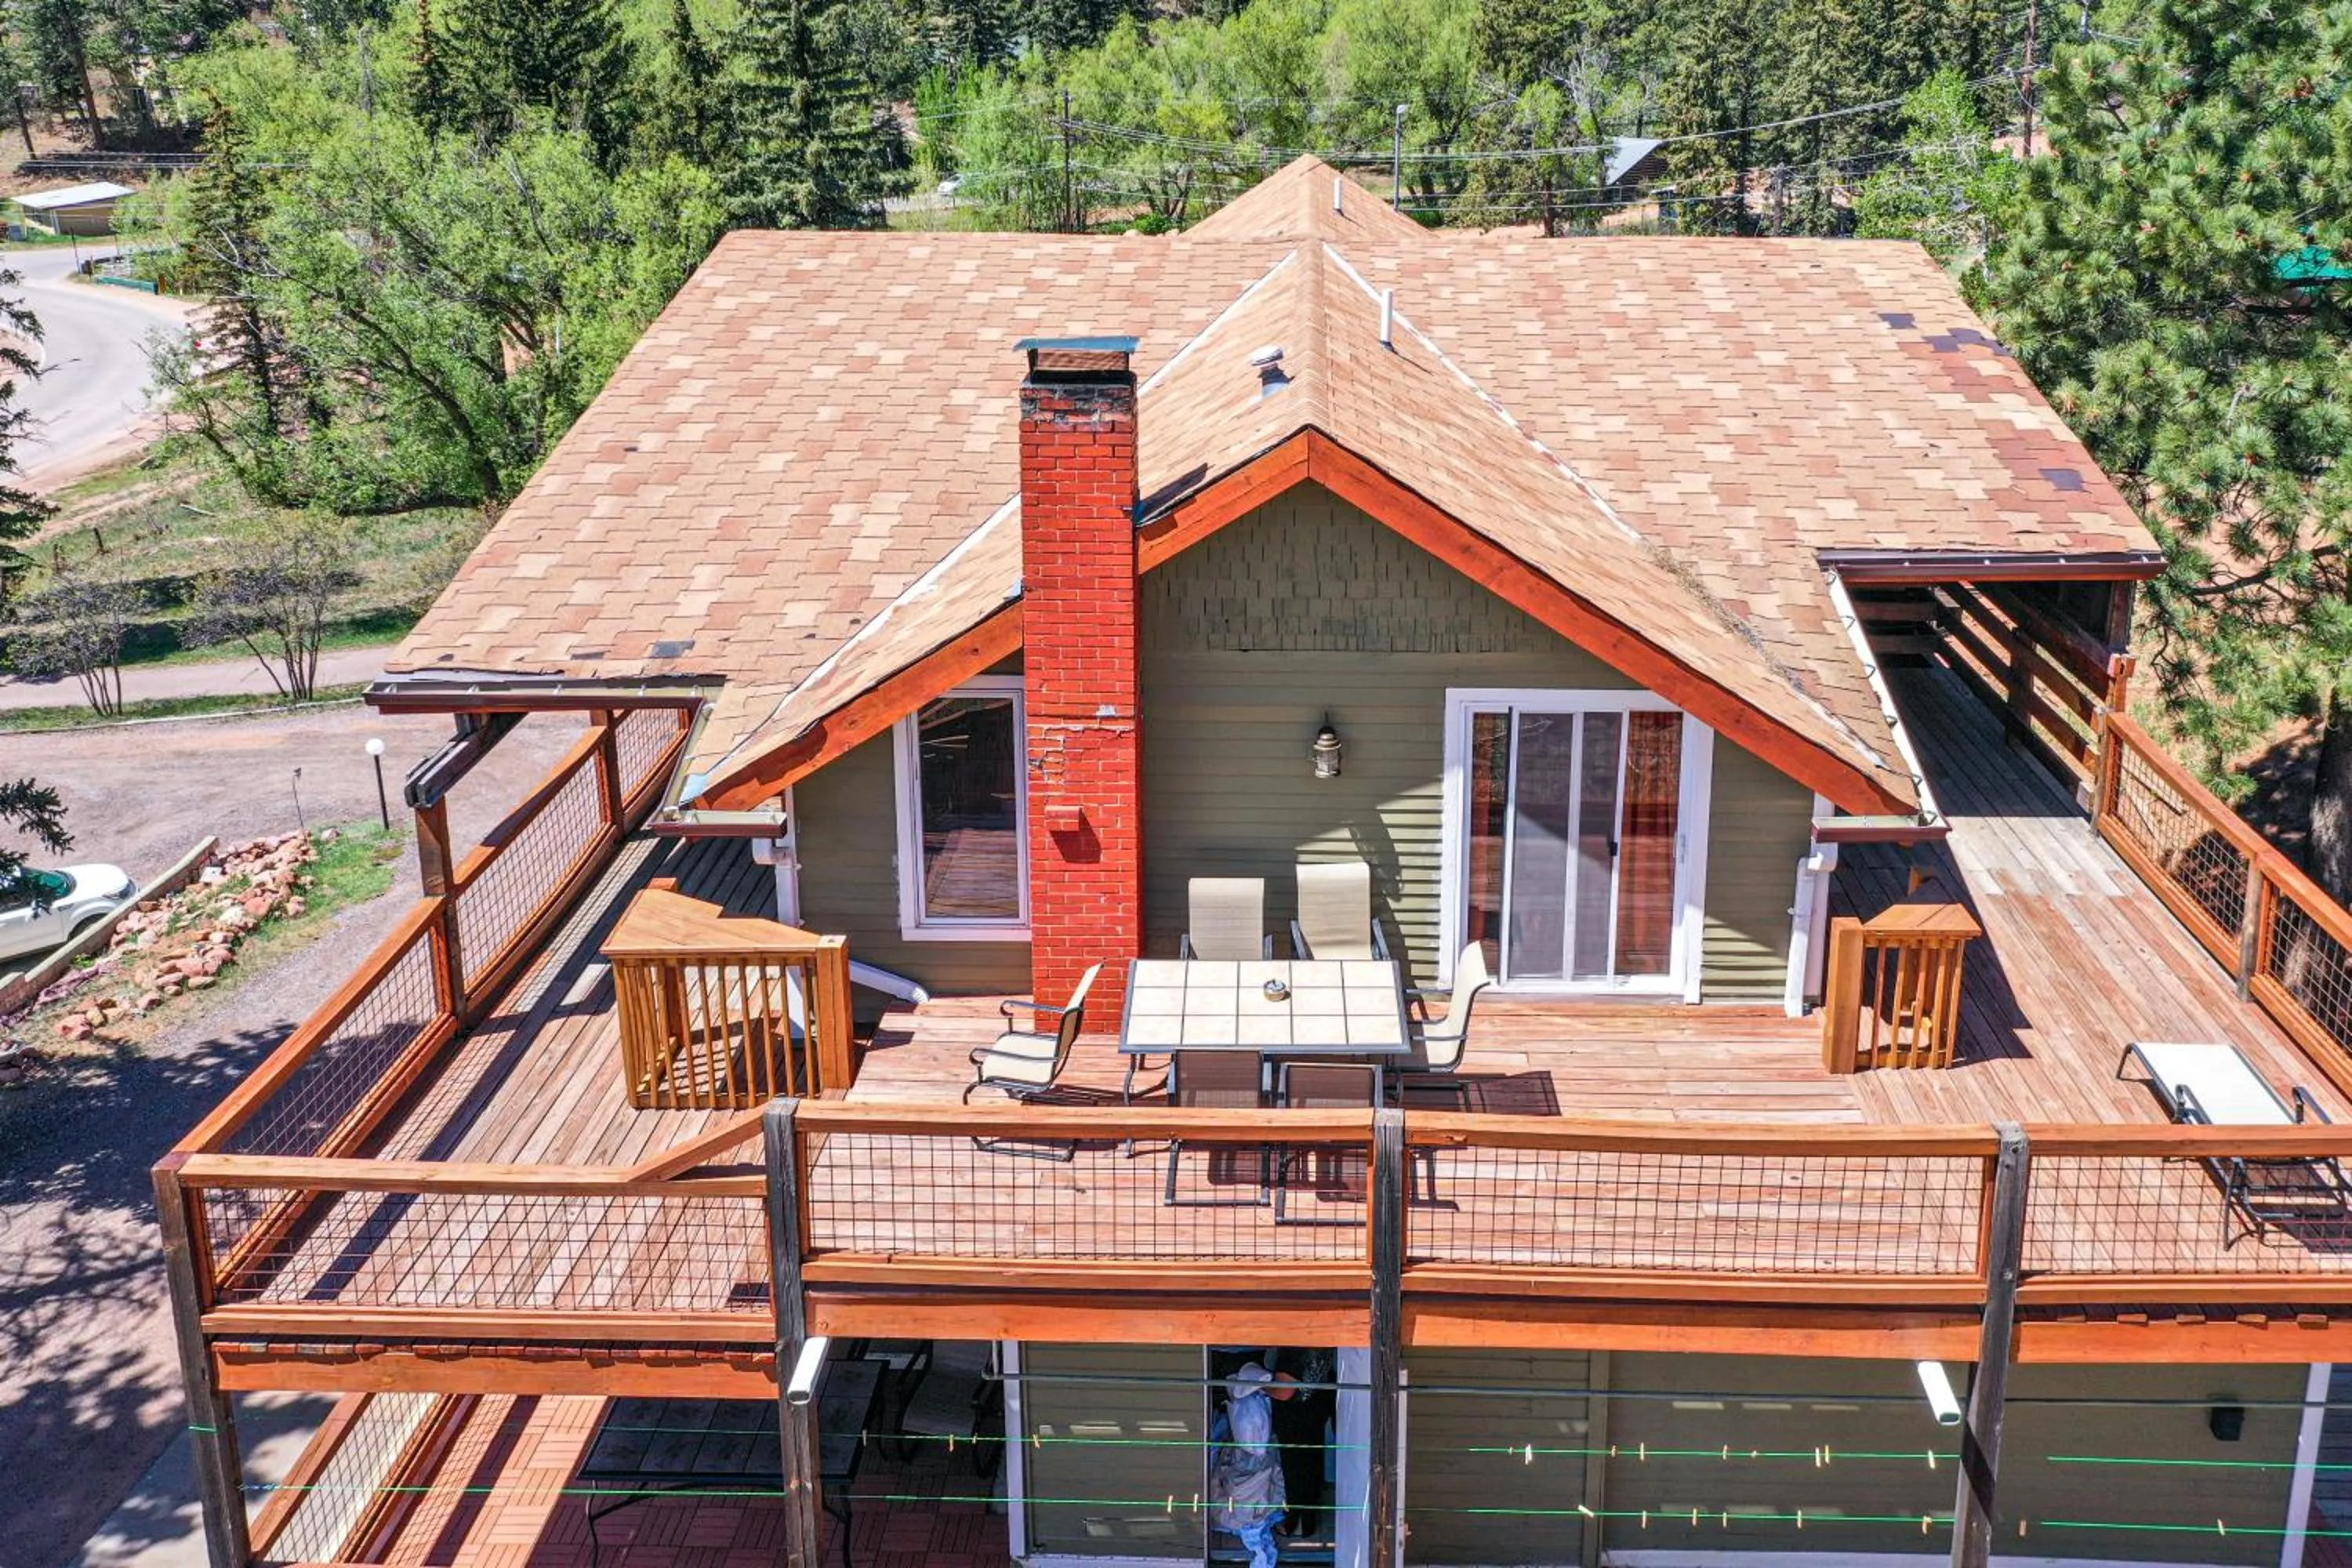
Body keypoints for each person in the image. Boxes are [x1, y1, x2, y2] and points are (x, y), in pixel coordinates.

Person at [1209, 1362, 1290, 1568]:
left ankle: (1252, 1385)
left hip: (1258, 1454)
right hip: (1245, 1455)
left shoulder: (1265, 1513)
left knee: (1255, 1419)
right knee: (1248, 1419)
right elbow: (1216, 1484)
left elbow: (1278, 1481)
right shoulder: (1228, 1518)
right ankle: (1247, 1385)